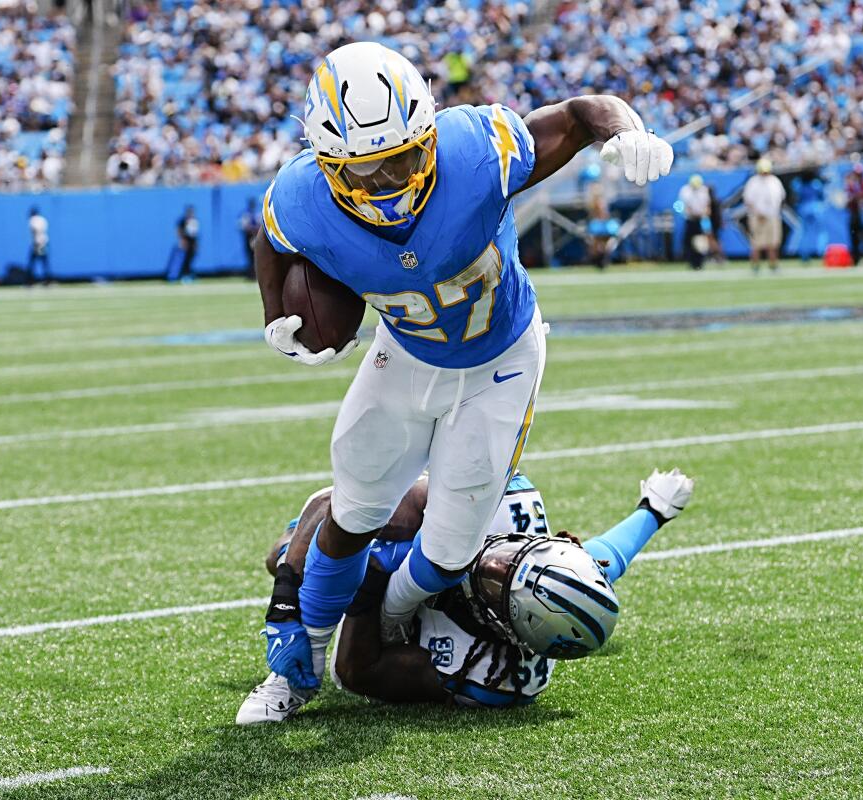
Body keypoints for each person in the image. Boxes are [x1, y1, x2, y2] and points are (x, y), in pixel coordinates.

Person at [253, 42, 674, 696]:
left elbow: (582, 112)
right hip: (407, 351)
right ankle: (301, 653)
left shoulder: (477, 150)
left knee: (451, 549)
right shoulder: (302, 195)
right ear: (327, 165)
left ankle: (387, 619)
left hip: (500, 356)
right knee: (355, 504)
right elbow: (272, 240)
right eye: (363, 173)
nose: (386, 183)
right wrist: (275, 314)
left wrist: (627, 130)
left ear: (427, 135)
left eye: (400, 161)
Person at [236, 467, 695, 722]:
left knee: (356, 569)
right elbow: (606, 558)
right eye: (518, 555)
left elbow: (356, 672)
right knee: (292, 552)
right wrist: (654, 511)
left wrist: (370, 589)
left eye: (502, 582)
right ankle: (292, 636)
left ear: (508, 626)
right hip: (428, 531)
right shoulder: (510, 504)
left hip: (396, 624)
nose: (494, 563)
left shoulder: (493, 678)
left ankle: (297, 675)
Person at [742, 158, 786, 274]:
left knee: (773, 242)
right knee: (757, 243)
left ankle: (773, 265)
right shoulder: (753, 182)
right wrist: (757, 212)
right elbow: (748, 200)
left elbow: (780, 198)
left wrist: (775, 212)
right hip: (757, 217)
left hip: (772, 216)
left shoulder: (775, 181)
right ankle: (755, 266)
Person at [791, 170, 827, 264]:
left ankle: (804, 254)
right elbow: (822, 196)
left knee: (804, 232)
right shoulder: (816, 183)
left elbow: (796, 196)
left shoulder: (799, 184)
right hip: (815, 207)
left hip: (803, 208)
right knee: (821, 231)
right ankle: (821, 252)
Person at [677, 174, 711, 270]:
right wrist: (690, 212)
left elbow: (707, 206)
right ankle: (691, 262)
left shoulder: (704, 190)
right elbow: (682, 206)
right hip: (690, 219)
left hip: (702, 219)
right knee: (688, 242)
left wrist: (704, 214)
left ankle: (700, 263)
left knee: (702, 242)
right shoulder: (685, 191)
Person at [169, 205, 199, 282]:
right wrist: (182, 240)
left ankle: (189, 275)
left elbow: (194, 234)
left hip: (192, 243)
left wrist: (196, 244)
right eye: (189, 212)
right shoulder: (183, 220)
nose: (191, 213)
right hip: (185, 243)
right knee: (183, 261)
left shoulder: (194, 220)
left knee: (189, 260)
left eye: (192, 212)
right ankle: (181, 276)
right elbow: (178, 231)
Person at [27, 207, 52, 285]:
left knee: (33, 263)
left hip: (38, 244)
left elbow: (36, 230)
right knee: (44, 262)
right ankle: (47, 281)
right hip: (44, 242)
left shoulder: (33, 220)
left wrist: (36, 243)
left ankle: (30, 281)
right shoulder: (42, 219)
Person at [237, 198, 260, 280]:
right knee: (250, 256)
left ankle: (255, 274)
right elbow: (243, 226)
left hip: (255, 237)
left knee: (255, 256)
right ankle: (251, 274)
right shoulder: (246, 214)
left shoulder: (256, 214)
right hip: (249, 237)